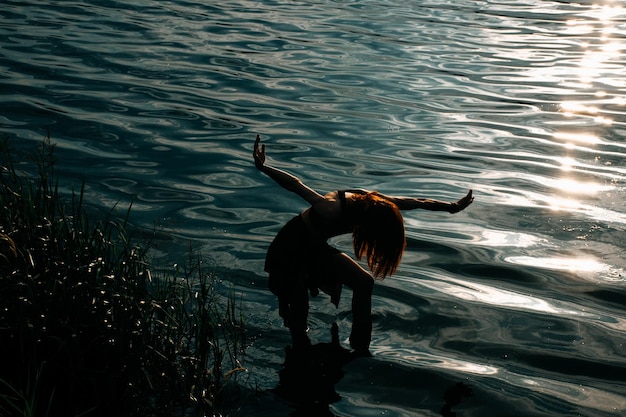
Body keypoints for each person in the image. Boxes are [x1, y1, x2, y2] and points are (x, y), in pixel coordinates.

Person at [253, 135, 474, 356]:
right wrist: (264, 167)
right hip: (289, 249)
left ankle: (361, 345)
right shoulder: (333, 208)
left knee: (363, 282)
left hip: (314, 247)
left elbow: (415, 202)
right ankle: (299, 359)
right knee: (298, 319)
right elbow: (295, 185)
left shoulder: (376, 204)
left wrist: (451, 207)